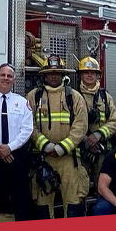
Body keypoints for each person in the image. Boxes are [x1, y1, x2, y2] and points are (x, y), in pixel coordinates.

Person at [26, 55, 89, 219]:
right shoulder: (33, 97)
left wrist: (62, 147)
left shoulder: (75, 97)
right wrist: (45, 145)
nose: (53, 76)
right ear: (44, 75)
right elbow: (28, 125)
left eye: (57, 73)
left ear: (62, 75)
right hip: (43, 158)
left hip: (69, 158)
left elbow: (81, 126)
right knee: (43, 205)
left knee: (74, 203)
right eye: (50, 73)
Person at [0, 63, 34, 223]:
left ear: (14, 79)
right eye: (3, 75)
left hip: (16, 157)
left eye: (9, 76)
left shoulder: (23, 103)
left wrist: (9, 148)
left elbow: (27, 129)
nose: (6, 78)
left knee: (21, 201)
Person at [76, 57, 116, 195]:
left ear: (97, 75)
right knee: (80, 188)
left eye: (92, 72)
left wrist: (98, 135)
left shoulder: (105, 97)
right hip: (81, 150)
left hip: (102, 151)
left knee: (103, 188)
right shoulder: (73, 96)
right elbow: (70, 123)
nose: (89, 75)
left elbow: (114, 122)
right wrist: (86, 140)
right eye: (86, 72)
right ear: (81, 75)